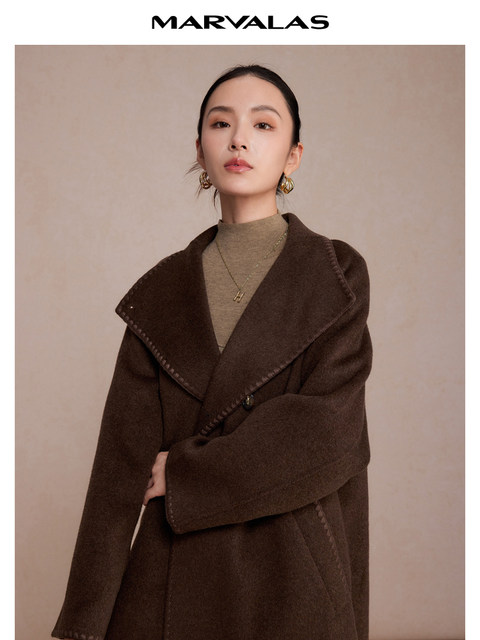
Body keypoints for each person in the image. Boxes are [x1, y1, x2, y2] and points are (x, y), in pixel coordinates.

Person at [52, 64, 372, 640]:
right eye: (221, 123)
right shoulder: (160, 293)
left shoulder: (334, 274)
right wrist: (83, 624)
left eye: (263, 125)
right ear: (200, 151)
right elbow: (119, 469)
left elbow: (328, 432)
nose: (239, 139)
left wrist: (187, 472)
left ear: (293, 156)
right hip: (174, 576)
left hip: (294, 571)